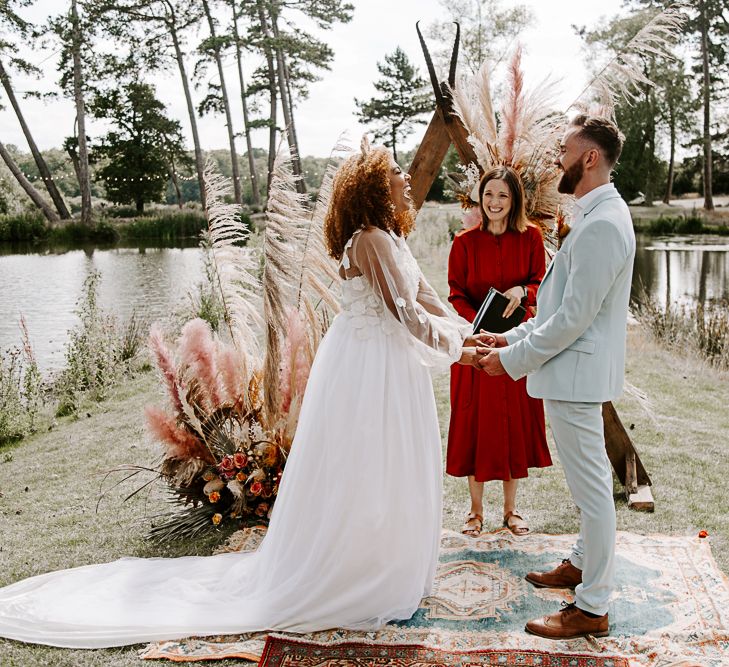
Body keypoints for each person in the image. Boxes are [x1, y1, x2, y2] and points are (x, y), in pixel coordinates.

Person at [0, 142, 485, 648]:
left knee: (390, 461)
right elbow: (405, 315)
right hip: (370, 367)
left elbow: (425, 296)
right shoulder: (368, 241)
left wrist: (471, 331)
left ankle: (383, 559)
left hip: (388, 363)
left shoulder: (391, 236)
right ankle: (356, 570)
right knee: (367, 462)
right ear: (372, 185)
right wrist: (463, 353)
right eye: (394, 171)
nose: (405, 177)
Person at [479, 115, 635, 639]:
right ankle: (581, 564)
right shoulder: (594, 215)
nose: (556, 159)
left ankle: (592, 607)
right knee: (584, 487)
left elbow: (573, 320)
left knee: (592, 494)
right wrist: (511, 339)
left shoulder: (605, 224)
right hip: (570, 374)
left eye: (564, 150)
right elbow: (555, 312)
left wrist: (512, 362)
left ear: (589, 158)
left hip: (577, 377)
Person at [447, 165, 551, 537]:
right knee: (475, 426)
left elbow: (543, 284)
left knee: (511, 425)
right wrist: (478, 329)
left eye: (503, 195)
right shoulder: (463, 243)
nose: (495, 202)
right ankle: (474, 512)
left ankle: (511, 510)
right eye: (489, 194)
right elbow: (455, 294)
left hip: (517, 346)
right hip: (473, 344)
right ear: (480, 196)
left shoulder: (532, 239)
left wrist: (523, 291)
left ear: (514, 200)